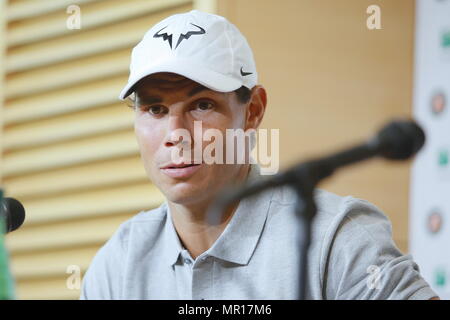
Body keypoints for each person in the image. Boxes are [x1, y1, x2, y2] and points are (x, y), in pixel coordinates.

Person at [80, 10, 439, 300]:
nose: (176, 134)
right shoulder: (119, 263)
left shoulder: (337, 239)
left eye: (202, 105)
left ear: (253, 111)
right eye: (155, 110)